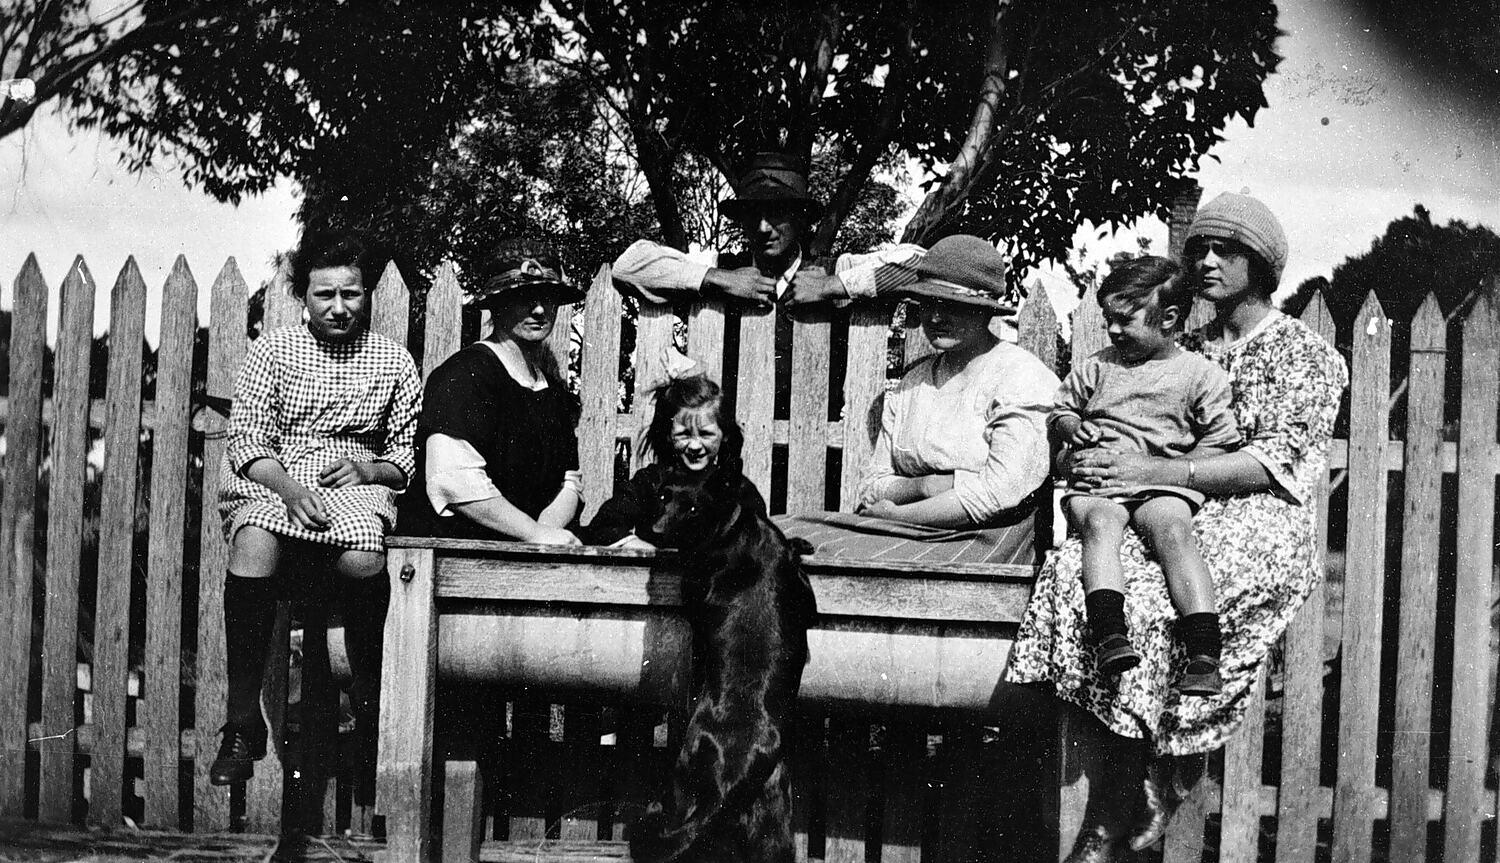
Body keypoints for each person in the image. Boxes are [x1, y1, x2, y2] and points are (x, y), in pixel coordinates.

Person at [1005, 193, 1348, 862]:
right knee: (1085, 581)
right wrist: (1095, 452)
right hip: (1153, 502)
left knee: (1167, 598)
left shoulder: (1305, 354)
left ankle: (1149, 783)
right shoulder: (1173, 345)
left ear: (1263, 265)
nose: (1209, 260)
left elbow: (1275, 463)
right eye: (1200, 249)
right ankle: (1121, 782)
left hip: (1256, 516)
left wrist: (1159, 467)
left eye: (1228, 251)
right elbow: (1098, 417)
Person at [212, 230, 422, 787]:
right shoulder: (273, 351)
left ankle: (360, 684)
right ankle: (240, 720)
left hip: (352, 482)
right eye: (324, 294)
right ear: (302, 296)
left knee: (363, 556)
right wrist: (287, 490)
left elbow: (403, 458)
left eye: (350, 294)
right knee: (255, 538)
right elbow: (247, 445)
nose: (338, 307)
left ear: (368, 294)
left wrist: (369, 470)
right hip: (278, 477)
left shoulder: (393, 361)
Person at [778, 234, 1060, 565]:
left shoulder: (1022, 378)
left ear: (984, 311)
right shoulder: (913, 383)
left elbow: (996, 495)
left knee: (812, 556)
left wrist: (896, 514)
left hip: (981, 540)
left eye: (951, 305)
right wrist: (928, 485)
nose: (936, 318)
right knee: (778, 534)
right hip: (899, 526)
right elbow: (872, 486)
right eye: (928, 303)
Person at [1050, 256, 1241, 697]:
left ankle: (1204, 652)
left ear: (1170, 318)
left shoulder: (1200, 375)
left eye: (1125, 320)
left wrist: (1172, 472)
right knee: (1100, 525)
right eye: (1108, 320)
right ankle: (1109, 635)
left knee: (1174, 531)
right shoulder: (1099, 367)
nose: (1113, 331)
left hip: (1162, 484)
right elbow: (1061, 409)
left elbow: (1221, 441)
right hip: (1102, 482)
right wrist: (1072, 428)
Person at [397, 240, 586, 545]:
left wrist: (547, 532)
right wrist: (534, 534)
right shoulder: (463, 375)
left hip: (531, 545)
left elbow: (569, 481)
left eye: (547, 297)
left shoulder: (553, 392)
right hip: (458, 548)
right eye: (524, 297)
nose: (539, 310)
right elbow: (454, 481)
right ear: (497, 304)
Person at [612, 151, 926, 308]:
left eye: (777, 214)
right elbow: (627, 266)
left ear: (802, 219)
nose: (763, 228)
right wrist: (719, 280)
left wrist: (833, 287)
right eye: (752, 215)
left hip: (814, 430)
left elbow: (922, 264)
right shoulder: (720, 268)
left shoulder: (835, 270)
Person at [579, 352, 744, 548]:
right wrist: (643, 550)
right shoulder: (650, 482)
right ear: (668, 434)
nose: (694, 446)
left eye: (706, 434)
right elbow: (604, 525)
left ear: (724, 434)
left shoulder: (732, 486)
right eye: (683, 435)